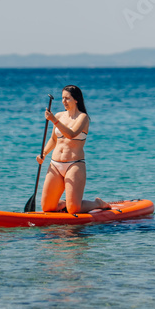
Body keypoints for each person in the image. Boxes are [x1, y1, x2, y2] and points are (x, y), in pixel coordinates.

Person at [37, 84, 111, 214]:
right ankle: (68, 202)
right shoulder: (60, 116)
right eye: (62, 98)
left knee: (73, 210)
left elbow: (71, 134)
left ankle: (96, 203)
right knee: (47, 208)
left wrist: (53, 120)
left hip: (74, 165)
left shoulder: (83, 117)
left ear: (76, 99)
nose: (63, 101)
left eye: (67, 98)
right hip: (55, 164)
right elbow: (54, 139)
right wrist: (43, 154)